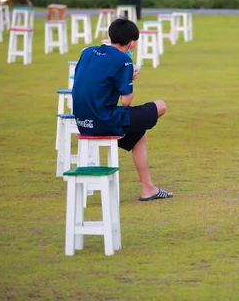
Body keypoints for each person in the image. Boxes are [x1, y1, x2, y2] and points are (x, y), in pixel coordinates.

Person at [72, 18, 172, 201]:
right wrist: (128, 78)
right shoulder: (124, 62)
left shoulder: (87, 53)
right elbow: (126, 101)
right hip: (104, 121)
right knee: (160, 106)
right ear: (132, 43)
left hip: (82, 122)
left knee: (139, 133)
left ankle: (148, 188)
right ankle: (148, 188)